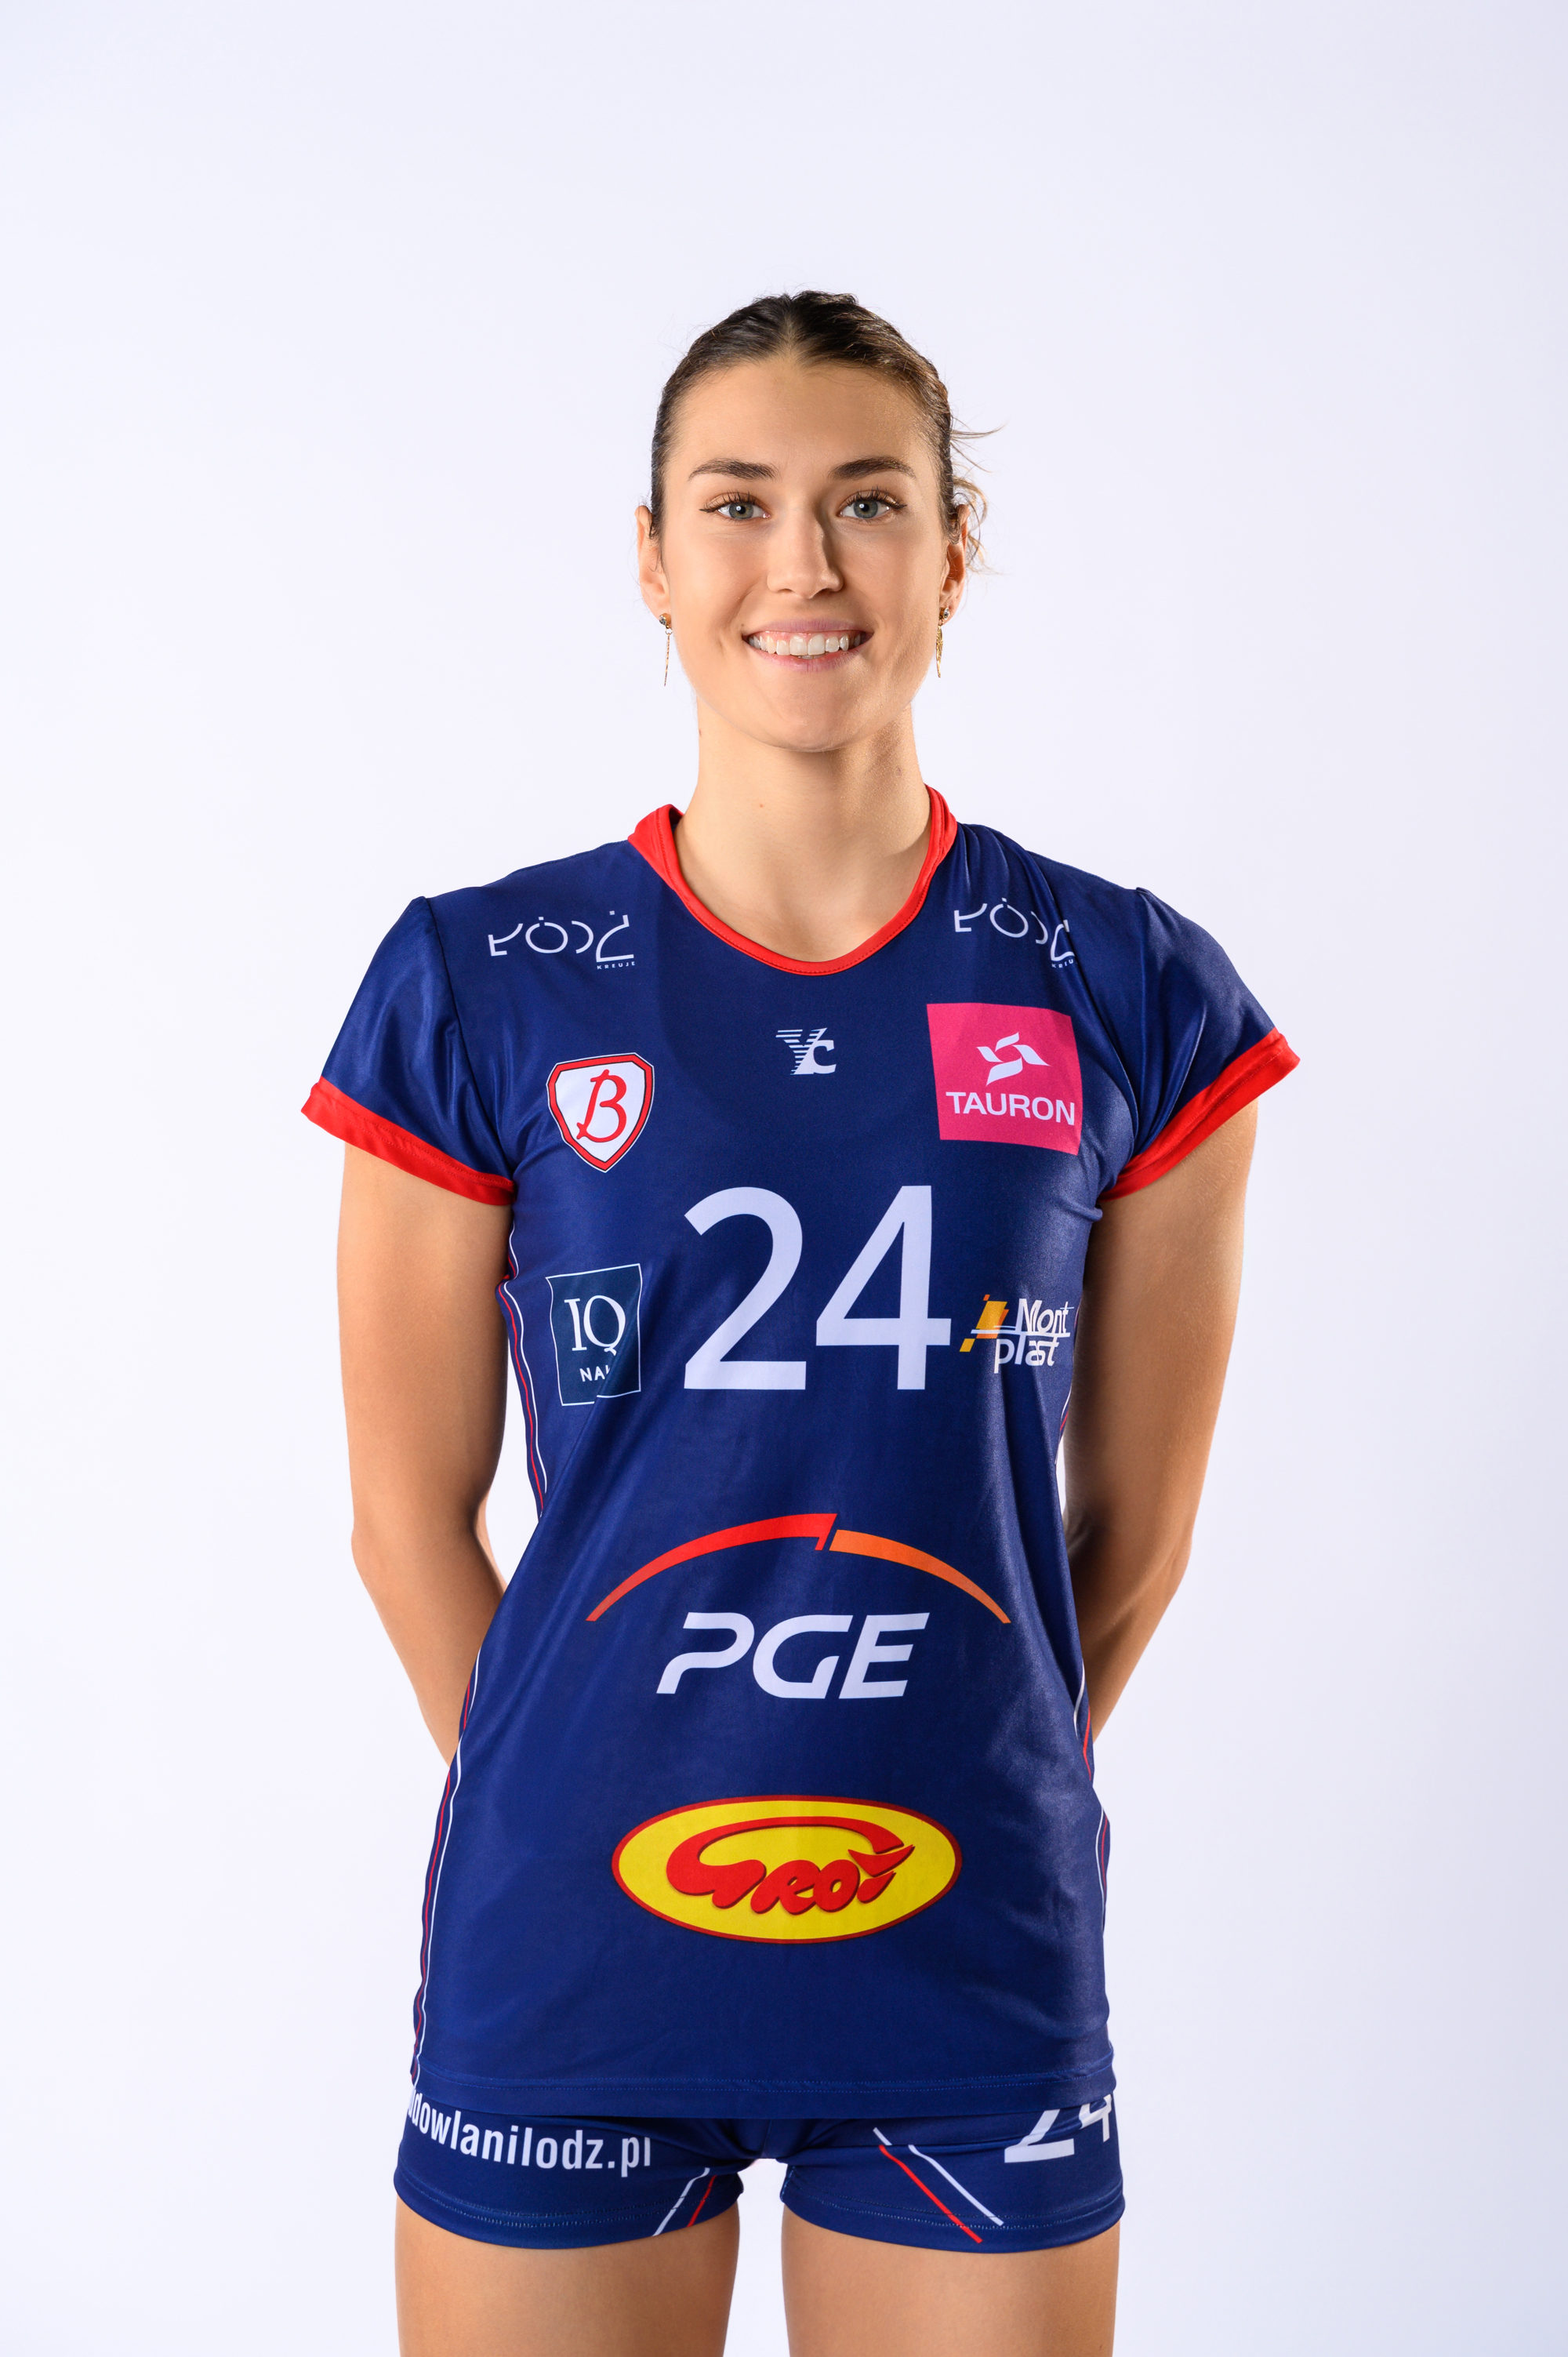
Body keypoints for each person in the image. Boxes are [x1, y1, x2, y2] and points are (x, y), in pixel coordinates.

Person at [305, 290, 1298, 2357]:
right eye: (739, 503)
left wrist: (966, 1763)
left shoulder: (1129, 986)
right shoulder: (484, 979)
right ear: (653, 559)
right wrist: (571, 1801)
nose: (806, 563)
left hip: (970, 1947)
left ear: (954, 553)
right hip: (571, 1953)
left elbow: (1133, 1536)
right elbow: (406, 1519)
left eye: (869, 501)